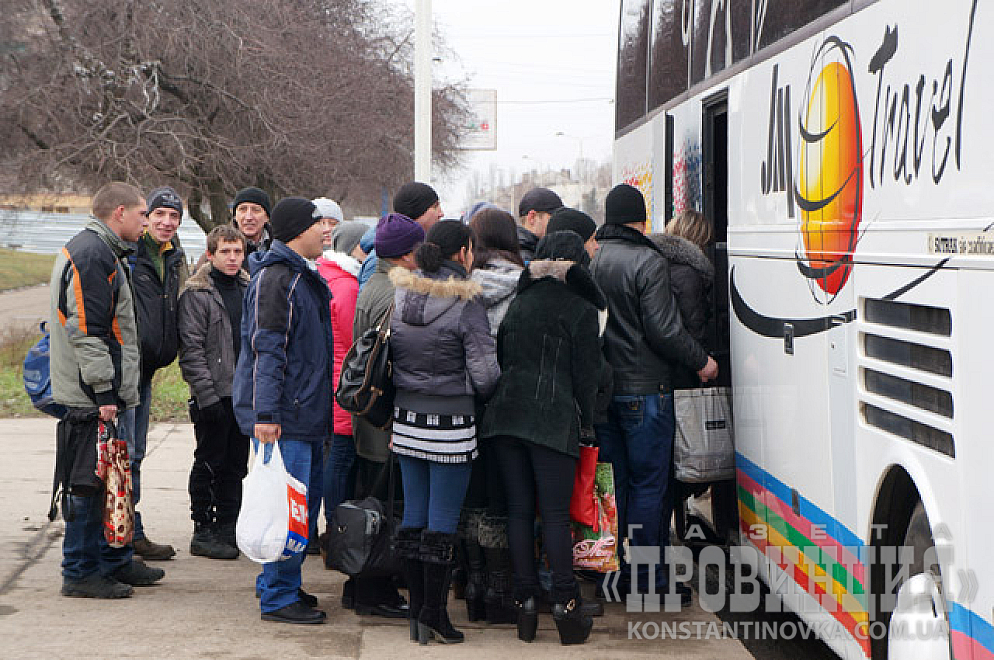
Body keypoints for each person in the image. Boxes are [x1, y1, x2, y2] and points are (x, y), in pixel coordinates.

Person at [590, 184, 718, 606]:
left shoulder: (594, 260)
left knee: (617, 487)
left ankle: (618, 575)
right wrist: (702, 361)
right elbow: (664, 330)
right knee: (649, 488)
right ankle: (649, 581)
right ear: (641, 222)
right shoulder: (648, 261)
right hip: (647, 394)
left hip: (605, 393)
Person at [481, 230, 607, 645]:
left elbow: (502, 358)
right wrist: (587, 426)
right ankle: (567, 611)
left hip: (505, 418)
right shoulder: (581, 309)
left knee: (519, 511)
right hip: (552, 421)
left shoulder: (521, 302)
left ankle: (526, 608)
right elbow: (587, 378)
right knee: (554, 516)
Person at [50, 181, 165, 598]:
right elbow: (88, 331)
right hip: (90, 397)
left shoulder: (107, 253)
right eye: (141, 214)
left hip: (107, 392)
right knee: (87, 484)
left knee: (114, 479)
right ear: (119, 212)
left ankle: (113, 560)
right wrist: (104, 395)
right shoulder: (92, 255)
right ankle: (80, 572)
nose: (147, 222)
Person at [389, 220, 500, 645]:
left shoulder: (402, 293)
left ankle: (418, 613)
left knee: (414, 516)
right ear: (464, 253)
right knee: (442, 521)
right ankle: (436, 614)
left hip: (407, 419)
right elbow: (485, 374)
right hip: (451, 422)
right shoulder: (466, 302)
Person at [232, 197, 335, 624]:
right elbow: (267, 350)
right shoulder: (278, 279)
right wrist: (267, 414)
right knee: (286, 508)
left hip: (305, 412)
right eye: (318, 225)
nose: (325, 231)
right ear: (298, 230)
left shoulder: (300, 275)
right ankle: (277, 595)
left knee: (300, 508)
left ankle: (283, 582)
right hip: (285, 417)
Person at [347, 212, 425, 618]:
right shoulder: (395, 292)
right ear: (408, 255)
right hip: (385, 419)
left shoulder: (372, 283)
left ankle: (360, 584)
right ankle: (372, 590)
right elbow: (391, 362)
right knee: (382, 508)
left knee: (370, 500)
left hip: (369, 417)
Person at [460, 207, 524, 623]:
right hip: (510, 405)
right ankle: (502, 592)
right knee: (503, 498)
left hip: (467, 402)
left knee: (472, 495)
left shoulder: (462, 288)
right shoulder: (526, 287)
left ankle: (472, 583)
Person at [123, 185, 189, 561]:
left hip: (147, 371)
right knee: (125, 453)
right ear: (146, 217)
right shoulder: (131, 254)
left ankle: (131, 527)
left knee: (137, 452)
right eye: (159, 214)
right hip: (126, 370)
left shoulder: (174, 257)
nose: (166, 222)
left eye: (173, 216)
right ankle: (122, 534)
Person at [177, 225, 250, 560]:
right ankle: (203, 528)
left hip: (242, 395)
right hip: (213, 394)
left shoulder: (248, 288)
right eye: (225, 252)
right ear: (211, 254)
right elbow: (191, 350)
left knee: (236, 464)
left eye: (237, 252)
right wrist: (206, 395)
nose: (233, 258)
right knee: (209, 460)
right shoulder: (197, 295)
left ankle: (228, 525)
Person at [315, 222, 367, 546]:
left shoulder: (325, 274)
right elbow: (354, 339)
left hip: (327, 380)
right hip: (341, 384)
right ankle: (336, 526)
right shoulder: (346, 285)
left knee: (332, 457)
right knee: (341, 458)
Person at [651, 209, 714, 389]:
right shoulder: (689, 275)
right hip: (683, 370)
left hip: (658, 369)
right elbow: (694, 326)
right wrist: (702, 362)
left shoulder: (654, 262)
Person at [357, 181, 443, 291]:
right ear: (417, 211)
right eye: (435, 207)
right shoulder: (379, 259)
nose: (441, 213)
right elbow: (372, 303)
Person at [516, 187, 562, 261]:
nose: (557, 225)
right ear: (532, 217)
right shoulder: (525, 258)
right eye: (553, 219)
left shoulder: (514, 251)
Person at [232, 187, 273, 265]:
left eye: (256, 210)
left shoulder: (281, 247)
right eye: (243, 209)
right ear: (235, 216)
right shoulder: (218, 249)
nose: (249, 217)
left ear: (267, 217)